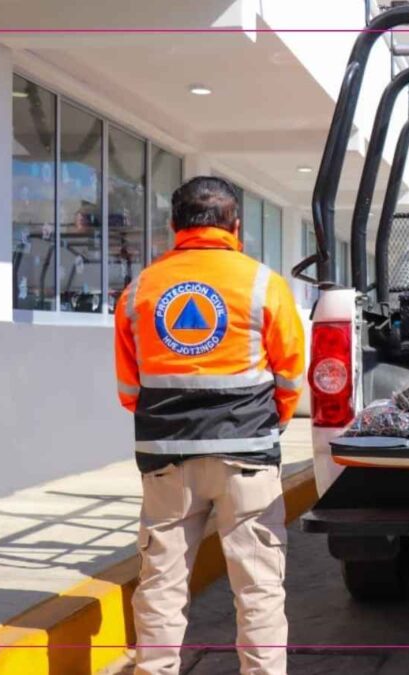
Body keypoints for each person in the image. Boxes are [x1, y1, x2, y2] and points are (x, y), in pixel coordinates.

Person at [114, 176, 305, 675]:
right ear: (235, 225)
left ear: (174, 226)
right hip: (247, 458)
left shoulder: (140, 290)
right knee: (258, 585)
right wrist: (270, 424)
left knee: (160, 583)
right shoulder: (264, 283)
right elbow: (289, 376)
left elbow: (129, 390)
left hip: (166, 461)